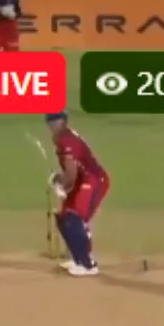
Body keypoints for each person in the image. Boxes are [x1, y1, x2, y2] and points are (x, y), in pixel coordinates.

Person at [45, 112, 109, 277]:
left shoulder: (67, 141)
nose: (52, 125)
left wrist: (62, 186)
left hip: (94, 180)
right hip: (82, 181)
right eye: (49, 121)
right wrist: (59, 180)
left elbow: (71, 175)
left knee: (74, 218)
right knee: (63, 218)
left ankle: (88, 264)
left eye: (55, 121)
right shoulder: (61, 139)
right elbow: (71, 171)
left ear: (63, 121)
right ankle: (78, 259)